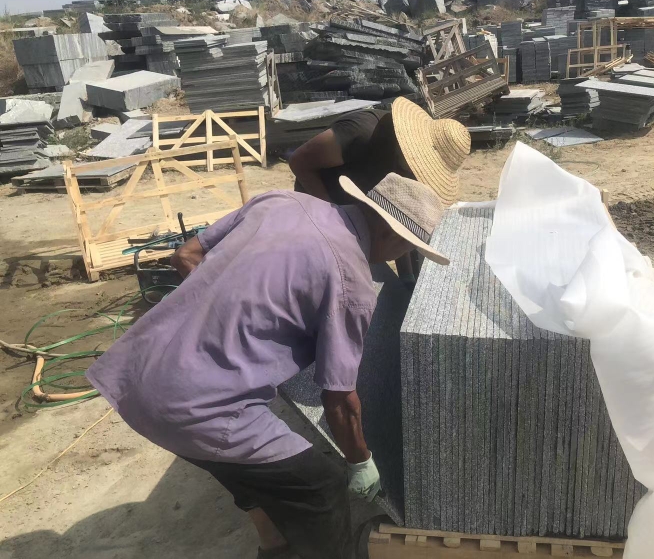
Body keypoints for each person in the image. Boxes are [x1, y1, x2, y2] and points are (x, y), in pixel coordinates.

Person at [85, 173, 450, 559]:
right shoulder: (352, 285)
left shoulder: (280, 201)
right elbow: (339, 401)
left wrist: (228, 313)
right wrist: (360, 461)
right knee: (321, 487)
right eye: (406, 249)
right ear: (393, 236)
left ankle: (274, 546)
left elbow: (185, 256)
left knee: (250, 468)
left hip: (134, 375)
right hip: (196, 410)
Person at [288, 96, 470, 284]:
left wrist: (406, 277)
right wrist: (333, 222)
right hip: (318, 206)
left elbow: (399, 221)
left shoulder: (410, 170)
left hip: (357, 215)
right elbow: (299, 162)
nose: (419, 174)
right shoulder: (361, 132)